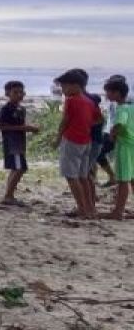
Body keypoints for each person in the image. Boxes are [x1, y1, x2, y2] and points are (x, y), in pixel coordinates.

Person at [54, 68, 102, 220]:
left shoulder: (71, 100)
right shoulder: (89, 101)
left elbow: (64, 121)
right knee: (83, 177)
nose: (62, 90)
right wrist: (85, 124)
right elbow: (99, 119)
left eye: (64, 86)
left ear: (75, 85)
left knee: (71, 176)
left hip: (72, 140)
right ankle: (89, 208)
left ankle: (82, 209)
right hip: (86, 141)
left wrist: (57, 138)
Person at [0, 80, 39, 207]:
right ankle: (8, 196)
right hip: (12, 143)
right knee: (20, 168)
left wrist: (27, 128)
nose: (19, 95)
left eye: (21, 92)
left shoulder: (21, 109)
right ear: (7, 93)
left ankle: (9, 195)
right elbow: (1, 126)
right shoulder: (6, 109)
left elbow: (20, 125)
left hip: (20, 143)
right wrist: (25, 128)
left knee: (17, 168)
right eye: (16, 92)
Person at [103, 77, 131, 220]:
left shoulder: (121, 108)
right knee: (131, 179)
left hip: (125, 146)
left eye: (108, 92)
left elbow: (120, 124)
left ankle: (118, 211)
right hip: (131, 145)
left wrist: (113, 134)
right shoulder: (131, 106)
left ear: (117, 93)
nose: (106, 95)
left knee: (123, 180)